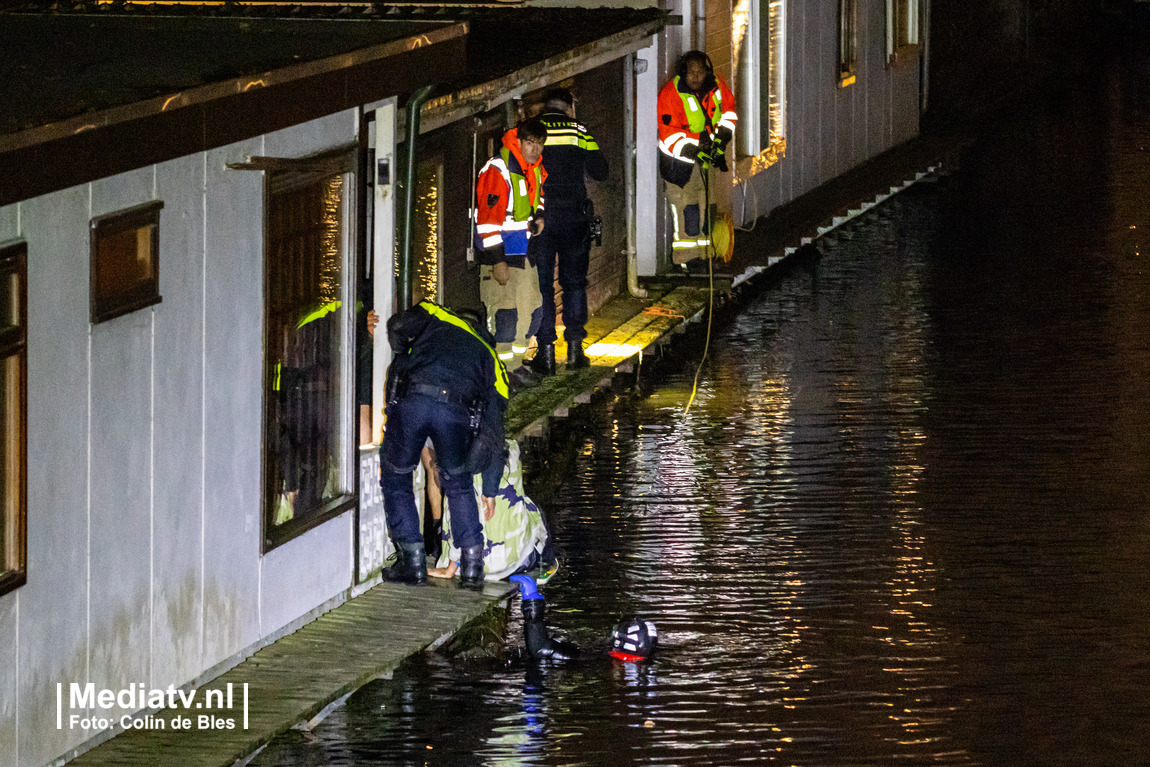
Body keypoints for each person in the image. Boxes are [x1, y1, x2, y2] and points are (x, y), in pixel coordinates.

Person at [379, 300, 509, 587]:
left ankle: (412, 560)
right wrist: (489, 487)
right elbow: (494, 432)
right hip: (455, 413)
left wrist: (403, 355)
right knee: (458, 482)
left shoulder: (436, 313)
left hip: (413, 400)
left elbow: (397, 326)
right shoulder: (493, 361)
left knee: (397, 476)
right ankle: (473, 565)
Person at [528, 87, 609, 375]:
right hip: (575, 219)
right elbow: (601, 170)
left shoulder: (533, 132)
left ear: (544, 107)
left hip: (541, 220)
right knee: (574, 283)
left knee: (544, 287)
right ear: (569, 106)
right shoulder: (578, 131)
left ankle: (546, 355)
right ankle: (575, 351)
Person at [475, 117, 548, 372]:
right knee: (505, 318)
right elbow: (487, 222)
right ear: (519, 141)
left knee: (532, 312)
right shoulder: (498, 170)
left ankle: (515, 368)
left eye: (540, 144)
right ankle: (502, 375)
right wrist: (498, 262)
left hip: (525, 255)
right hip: (504, 257)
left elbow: (537, 200)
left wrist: (539, 217)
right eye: (530, 143)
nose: (535, 149)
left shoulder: (534, 168)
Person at [657, 51, 738, 270]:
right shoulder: (671, 95)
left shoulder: (717, 87)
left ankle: (705, 255)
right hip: (680, 165)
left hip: (705, 162)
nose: (695, 76)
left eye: (700, 72)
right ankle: (686, 259)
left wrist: (721, 139)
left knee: (708, 208)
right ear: (683, 72)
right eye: (691, 72)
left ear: (707, 72)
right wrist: (694, 151)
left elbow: (729, 112)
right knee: (688, 209)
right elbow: (670, 134)